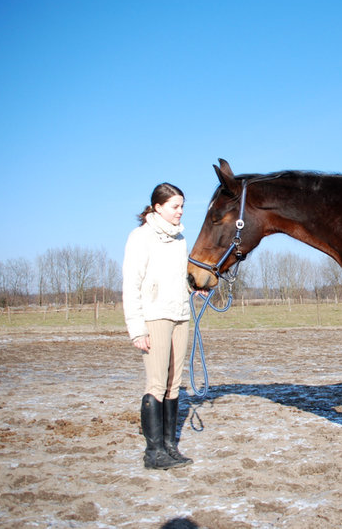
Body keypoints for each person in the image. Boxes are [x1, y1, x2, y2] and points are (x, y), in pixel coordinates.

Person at [123, 182, 193, 470]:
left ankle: (169, 446)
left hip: (180, 315)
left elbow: (179, 278)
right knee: (156, 383)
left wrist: (193, 288)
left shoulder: (180, 239)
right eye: (175, 206)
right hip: (155, 316)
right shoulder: (140, 237)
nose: (180, 211)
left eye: (182, 206)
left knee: (174, 384)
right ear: (158, 207)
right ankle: (153, 452)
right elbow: (131, 285)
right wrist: (137, 329)